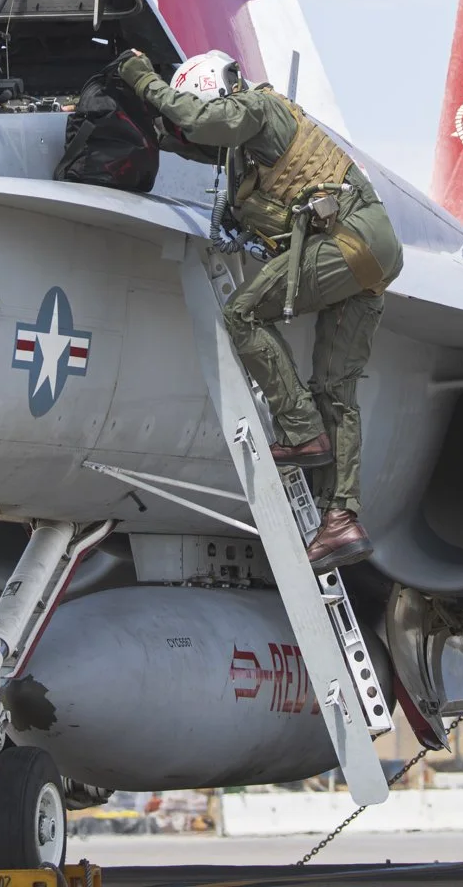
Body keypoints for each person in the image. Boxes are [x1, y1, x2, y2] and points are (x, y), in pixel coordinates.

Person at [114, 48, 402, 570]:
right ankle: (341, 520)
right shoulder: (260, 137)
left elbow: (201, 121)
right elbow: (204, 142)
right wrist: (153, 132)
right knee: (337, 389)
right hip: (374, 253)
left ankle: (299, 430)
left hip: (345, 245)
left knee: (243, 315)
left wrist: (140, 77)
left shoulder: (254, 107)